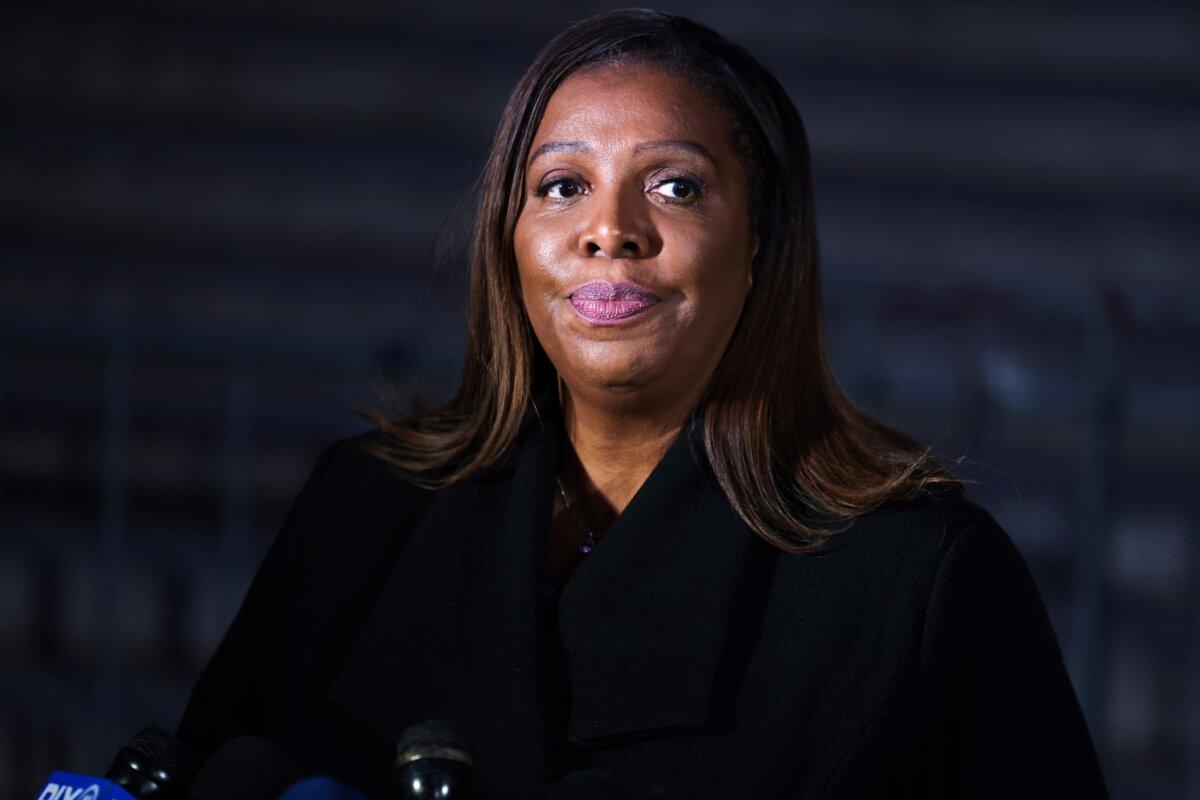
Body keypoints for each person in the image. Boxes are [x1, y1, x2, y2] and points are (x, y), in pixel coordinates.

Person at [176, 9, 1111, 799]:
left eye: (674, 186)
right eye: (562, 186)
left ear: (758, 245)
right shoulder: (364, 507)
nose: (610, 231)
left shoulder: (921, 575)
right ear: (511, 238)